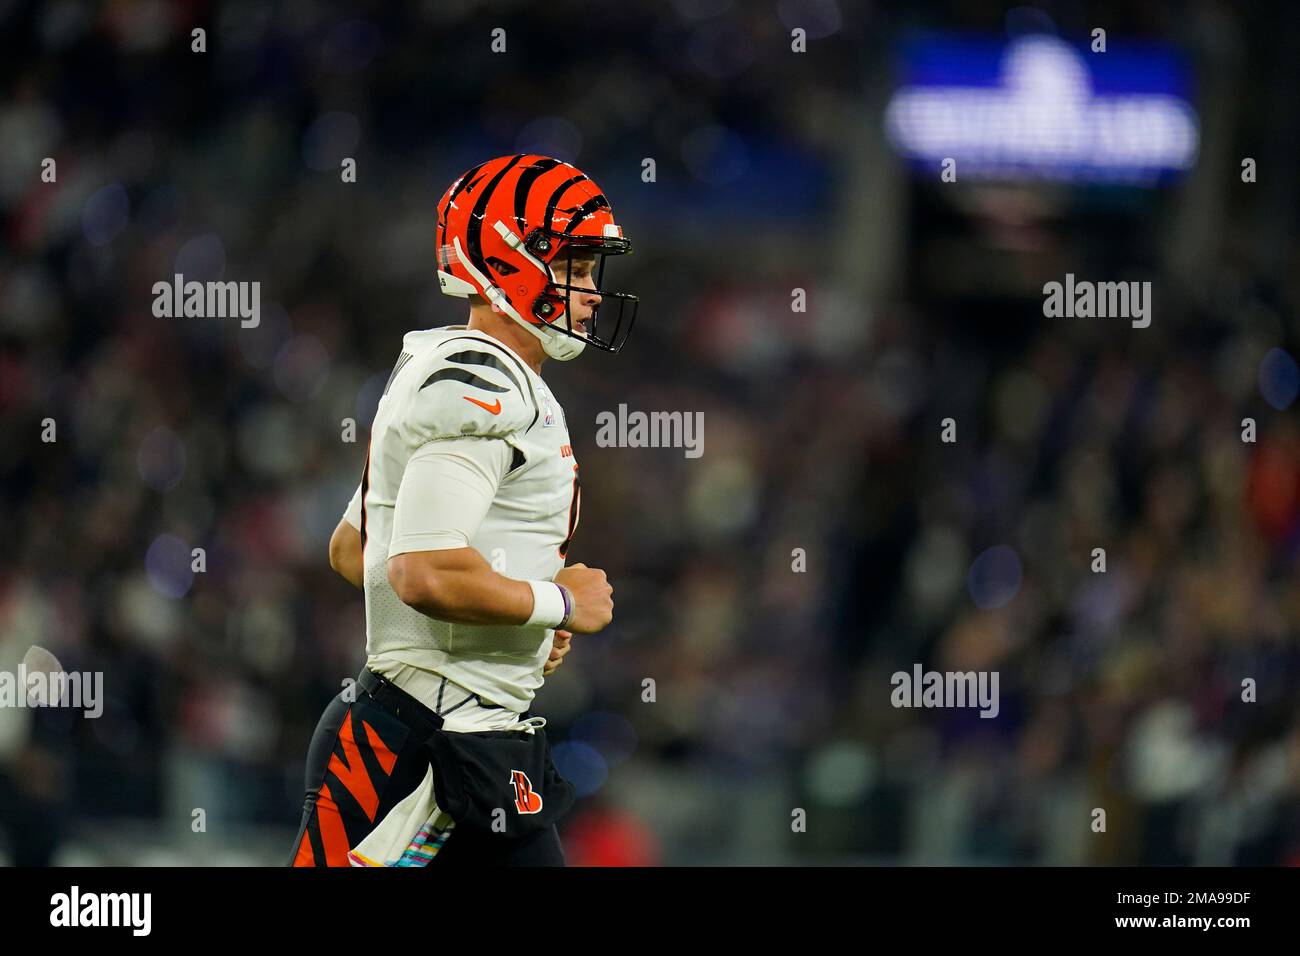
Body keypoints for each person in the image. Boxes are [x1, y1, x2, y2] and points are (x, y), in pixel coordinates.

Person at [289, 154, 638, 866]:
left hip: (460, 740)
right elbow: (419, 573)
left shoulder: (453, 365)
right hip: (421, 753)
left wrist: (513, 620)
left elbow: (356, 550)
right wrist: (555, 604)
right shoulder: (484, 385)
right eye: (573, 265)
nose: (593, 292)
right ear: (510, 263)